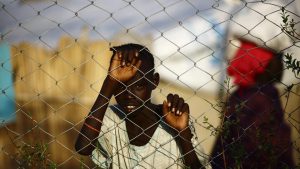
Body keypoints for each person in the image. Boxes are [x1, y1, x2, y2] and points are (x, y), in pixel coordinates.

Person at [75, 43, 211, 168]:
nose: (129, 95)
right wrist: (109, 82)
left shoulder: (173, 119)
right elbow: (83, 148)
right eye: (120, 86)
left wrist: (182, 134)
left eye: (139, 86)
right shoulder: (111, 118)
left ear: (154, 81)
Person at [211, 40, 295, 169]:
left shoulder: (243, 95)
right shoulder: (261, 97)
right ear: (257, 62)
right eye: (276, 58)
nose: (280, 65)